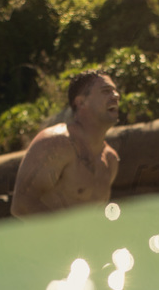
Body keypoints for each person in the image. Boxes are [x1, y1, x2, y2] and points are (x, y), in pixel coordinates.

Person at [10, 70, 121, 217]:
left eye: (115, 91)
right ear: (81, 102)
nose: (116, 96)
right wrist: (67, 238)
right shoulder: (56, 143)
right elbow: (22, 206)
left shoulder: (110, 159)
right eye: (106, 91)